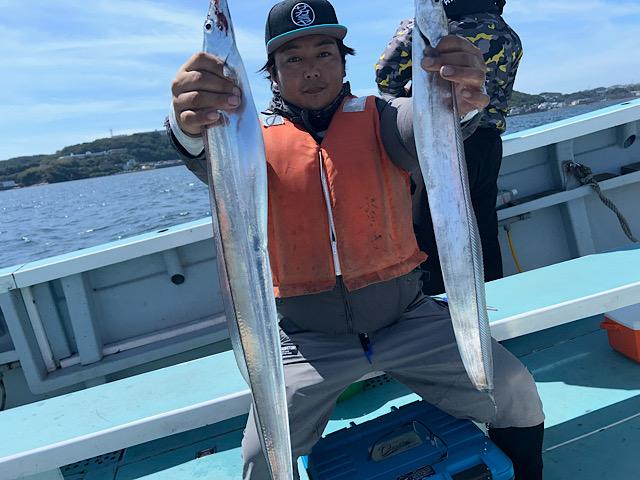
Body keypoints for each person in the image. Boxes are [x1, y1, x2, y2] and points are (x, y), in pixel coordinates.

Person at [167, 1, 544, 479]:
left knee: (515, 391)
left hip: (408, 318)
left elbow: (428, 123)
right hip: (308, 340)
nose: (311, 70)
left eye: (324, 53)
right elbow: (202, 152)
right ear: (272, 74)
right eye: (293, 59)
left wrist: (458, 100)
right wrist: (187, 124)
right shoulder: (245, 141)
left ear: (344, 62)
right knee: (261, 458)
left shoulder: (382, 117)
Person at [375, 0, 523, 295]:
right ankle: (496, 301)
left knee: (432, 234)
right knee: (483, 228)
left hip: (441, 142)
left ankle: (440, 306)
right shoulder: (508, 34)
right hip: (488, 144)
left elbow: (385, 76)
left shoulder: (428, 28)